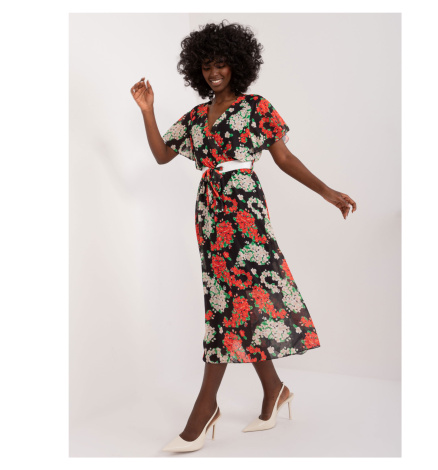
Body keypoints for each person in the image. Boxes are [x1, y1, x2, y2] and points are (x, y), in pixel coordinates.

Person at [131, 20, 356, 453]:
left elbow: (284, 158)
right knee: (237, 300)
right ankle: (274, 389)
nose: (214, 72)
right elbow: (161, 155)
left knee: (230, 301)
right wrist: (147, 110)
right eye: (206, 66)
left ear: (236, 64)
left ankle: (205, 407)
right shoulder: (197, 117)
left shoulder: (255, 107)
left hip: (244, 209)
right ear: (197, 70)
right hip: (209, 211)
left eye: (221, 64)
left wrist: (327, 192)